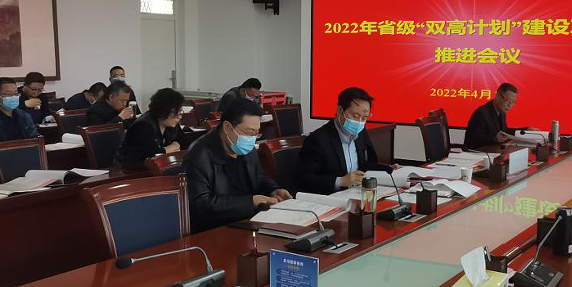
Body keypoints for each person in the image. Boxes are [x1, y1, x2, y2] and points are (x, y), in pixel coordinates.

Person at [184, 98, 290, 233]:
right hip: (214, 230)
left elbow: (258, 177)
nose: (252, 138)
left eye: (256, 133)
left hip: (248, 222)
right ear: (227, 127)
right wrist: (250, 202)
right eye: (248, 132)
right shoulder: (199, 155)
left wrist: (273, 190)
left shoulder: (246, 148)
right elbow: (201, 204)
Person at [296, 87, 390, 194]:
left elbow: (361, 165)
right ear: (340, 111)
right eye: (355, 116)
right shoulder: (318, 139)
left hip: (356, 192)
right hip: (331, 197)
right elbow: (304, 178)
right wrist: (340, 181)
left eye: (364, 118)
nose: (359, 122)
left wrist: (389, 169)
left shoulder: (361, 132)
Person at [115, 88, 192, 170]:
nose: (179, 116)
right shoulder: (143, 126)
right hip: (131, 170)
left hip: (157, 167)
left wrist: (167, 150)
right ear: (165, 110)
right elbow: (153, 155)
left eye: (180, 112)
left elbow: (185, 144)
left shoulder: (171, 123)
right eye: (177, 112)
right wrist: (173, 147)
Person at [0, 77, 40, 144]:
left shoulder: (24, 116)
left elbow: (36, 140)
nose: (13, 97)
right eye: (8, 94)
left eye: (15, 94)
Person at [463, 83, 520, 148]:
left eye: (513, 102)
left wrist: (523, 131)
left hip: (493, 151)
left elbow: (504, 132)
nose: (510, 105)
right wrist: (494, 138)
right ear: (498, 96)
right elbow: (473, 140)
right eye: (508, 100)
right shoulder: (481, 113)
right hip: (476, 152)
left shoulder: (502, 112)